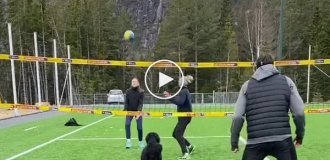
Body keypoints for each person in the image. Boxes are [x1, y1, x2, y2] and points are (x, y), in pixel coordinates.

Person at [230, 54, 305, 160]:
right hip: (283, 140)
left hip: (255, 142)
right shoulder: (287, 81)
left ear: (256, 67)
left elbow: (238, 117)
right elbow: (299, 113)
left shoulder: (247, 86)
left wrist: (234, 142)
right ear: (273, 65)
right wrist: (299, 136)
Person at [164, 75, 196, 160]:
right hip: (183, 116)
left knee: (178, 134)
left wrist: (169, 97)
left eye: (179, 81)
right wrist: (170, 96)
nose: (178, 82)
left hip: (185, 116)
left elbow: (180, 102)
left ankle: (185, 153)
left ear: (182, 83)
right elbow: (179, 99)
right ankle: (190, 146)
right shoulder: (183, 91)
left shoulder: (184, 91)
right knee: (175, 134)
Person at [124, 77, 145, 149]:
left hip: (138, 112)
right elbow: (126, 102)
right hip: (129, 111)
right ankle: (128, 141)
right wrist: (125, 109)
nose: (134, 82)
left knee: (139, 127)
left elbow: (141, 103)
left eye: (135, 81)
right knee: (127, 124)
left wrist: (139, 112)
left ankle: (140, 141)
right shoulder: (128, 91)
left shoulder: (141, 92)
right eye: (133, 81)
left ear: (138, 83)